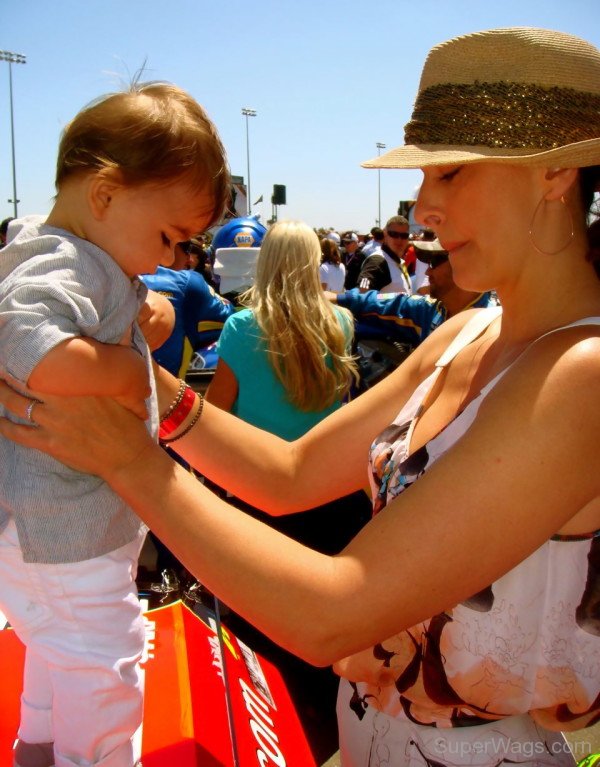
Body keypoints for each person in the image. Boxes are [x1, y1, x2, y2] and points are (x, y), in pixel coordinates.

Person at [1, 26, 600, 767]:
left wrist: (130, 457)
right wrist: (132, 373)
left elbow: (333, 613)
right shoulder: (464, 336)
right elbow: (286, 477)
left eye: (447, 174)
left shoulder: (583, 372)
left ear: (556, 173)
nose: (423, 208)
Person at [0, 82, 228, 767]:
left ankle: (37, 747)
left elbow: (107, 304)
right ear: (103, 195)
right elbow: (23, 340)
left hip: (48, 529)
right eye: (166, 236)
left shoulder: (79, 251)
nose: (167, 259)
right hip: (65, 529)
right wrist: (128, 373)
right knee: (106, 664)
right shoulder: (61, 259)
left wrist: (143, 314)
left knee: (56, 649)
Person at [205, 219, 370, 757]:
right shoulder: (340, 321)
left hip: (260, 494)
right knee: (327, 618)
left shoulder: (240, 326)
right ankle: (328, 727)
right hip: (334, 494)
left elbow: (219, 413)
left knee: (261, 625)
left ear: (267, 261)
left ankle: (273, 735)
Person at [332, 238, 496, 348]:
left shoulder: (495, 326)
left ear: (465, 264)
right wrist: (337, 298)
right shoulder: (431, 310)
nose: (427, 273)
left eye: (435, 262)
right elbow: (384, 302)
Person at [357, 215, 412, 293]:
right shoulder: (377, 261)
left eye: (404, 235)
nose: (399, 239)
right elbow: (362, 292)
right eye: (394, 234)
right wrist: (394, 298)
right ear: (385, 234)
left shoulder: (399, 261)